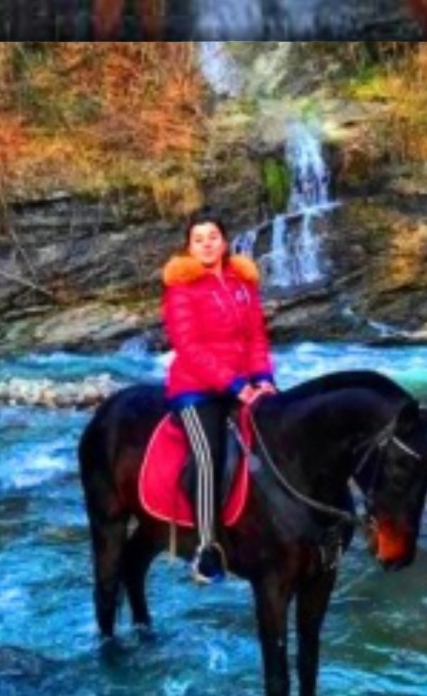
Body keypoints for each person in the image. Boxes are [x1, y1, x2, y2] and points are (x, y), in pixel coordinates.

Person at [162, 211, 276, 583]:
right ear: (189, 247)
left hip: (243, 382)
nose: (207, 243)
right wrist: (235, 386)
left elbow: (256, 336)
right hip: (196, 389)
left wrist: (263, 379)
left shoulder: (243, 283)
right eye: (199, 238)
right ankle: (207, 547)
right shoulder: (181, 288)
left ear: (225, 242)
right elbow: (188, 347)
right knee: (208, 457)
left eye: (214, 236)